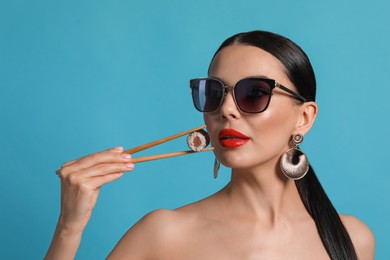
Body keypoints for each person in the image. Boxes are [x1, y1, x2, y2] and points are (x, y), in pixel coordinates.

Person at [45, 30, 375, 259]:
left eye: (254, 92)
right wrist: (69, 227)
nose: (226, 109)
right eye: (213, 93)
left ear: (304, 117)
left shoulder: (353, 239)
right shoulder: (164, 234)